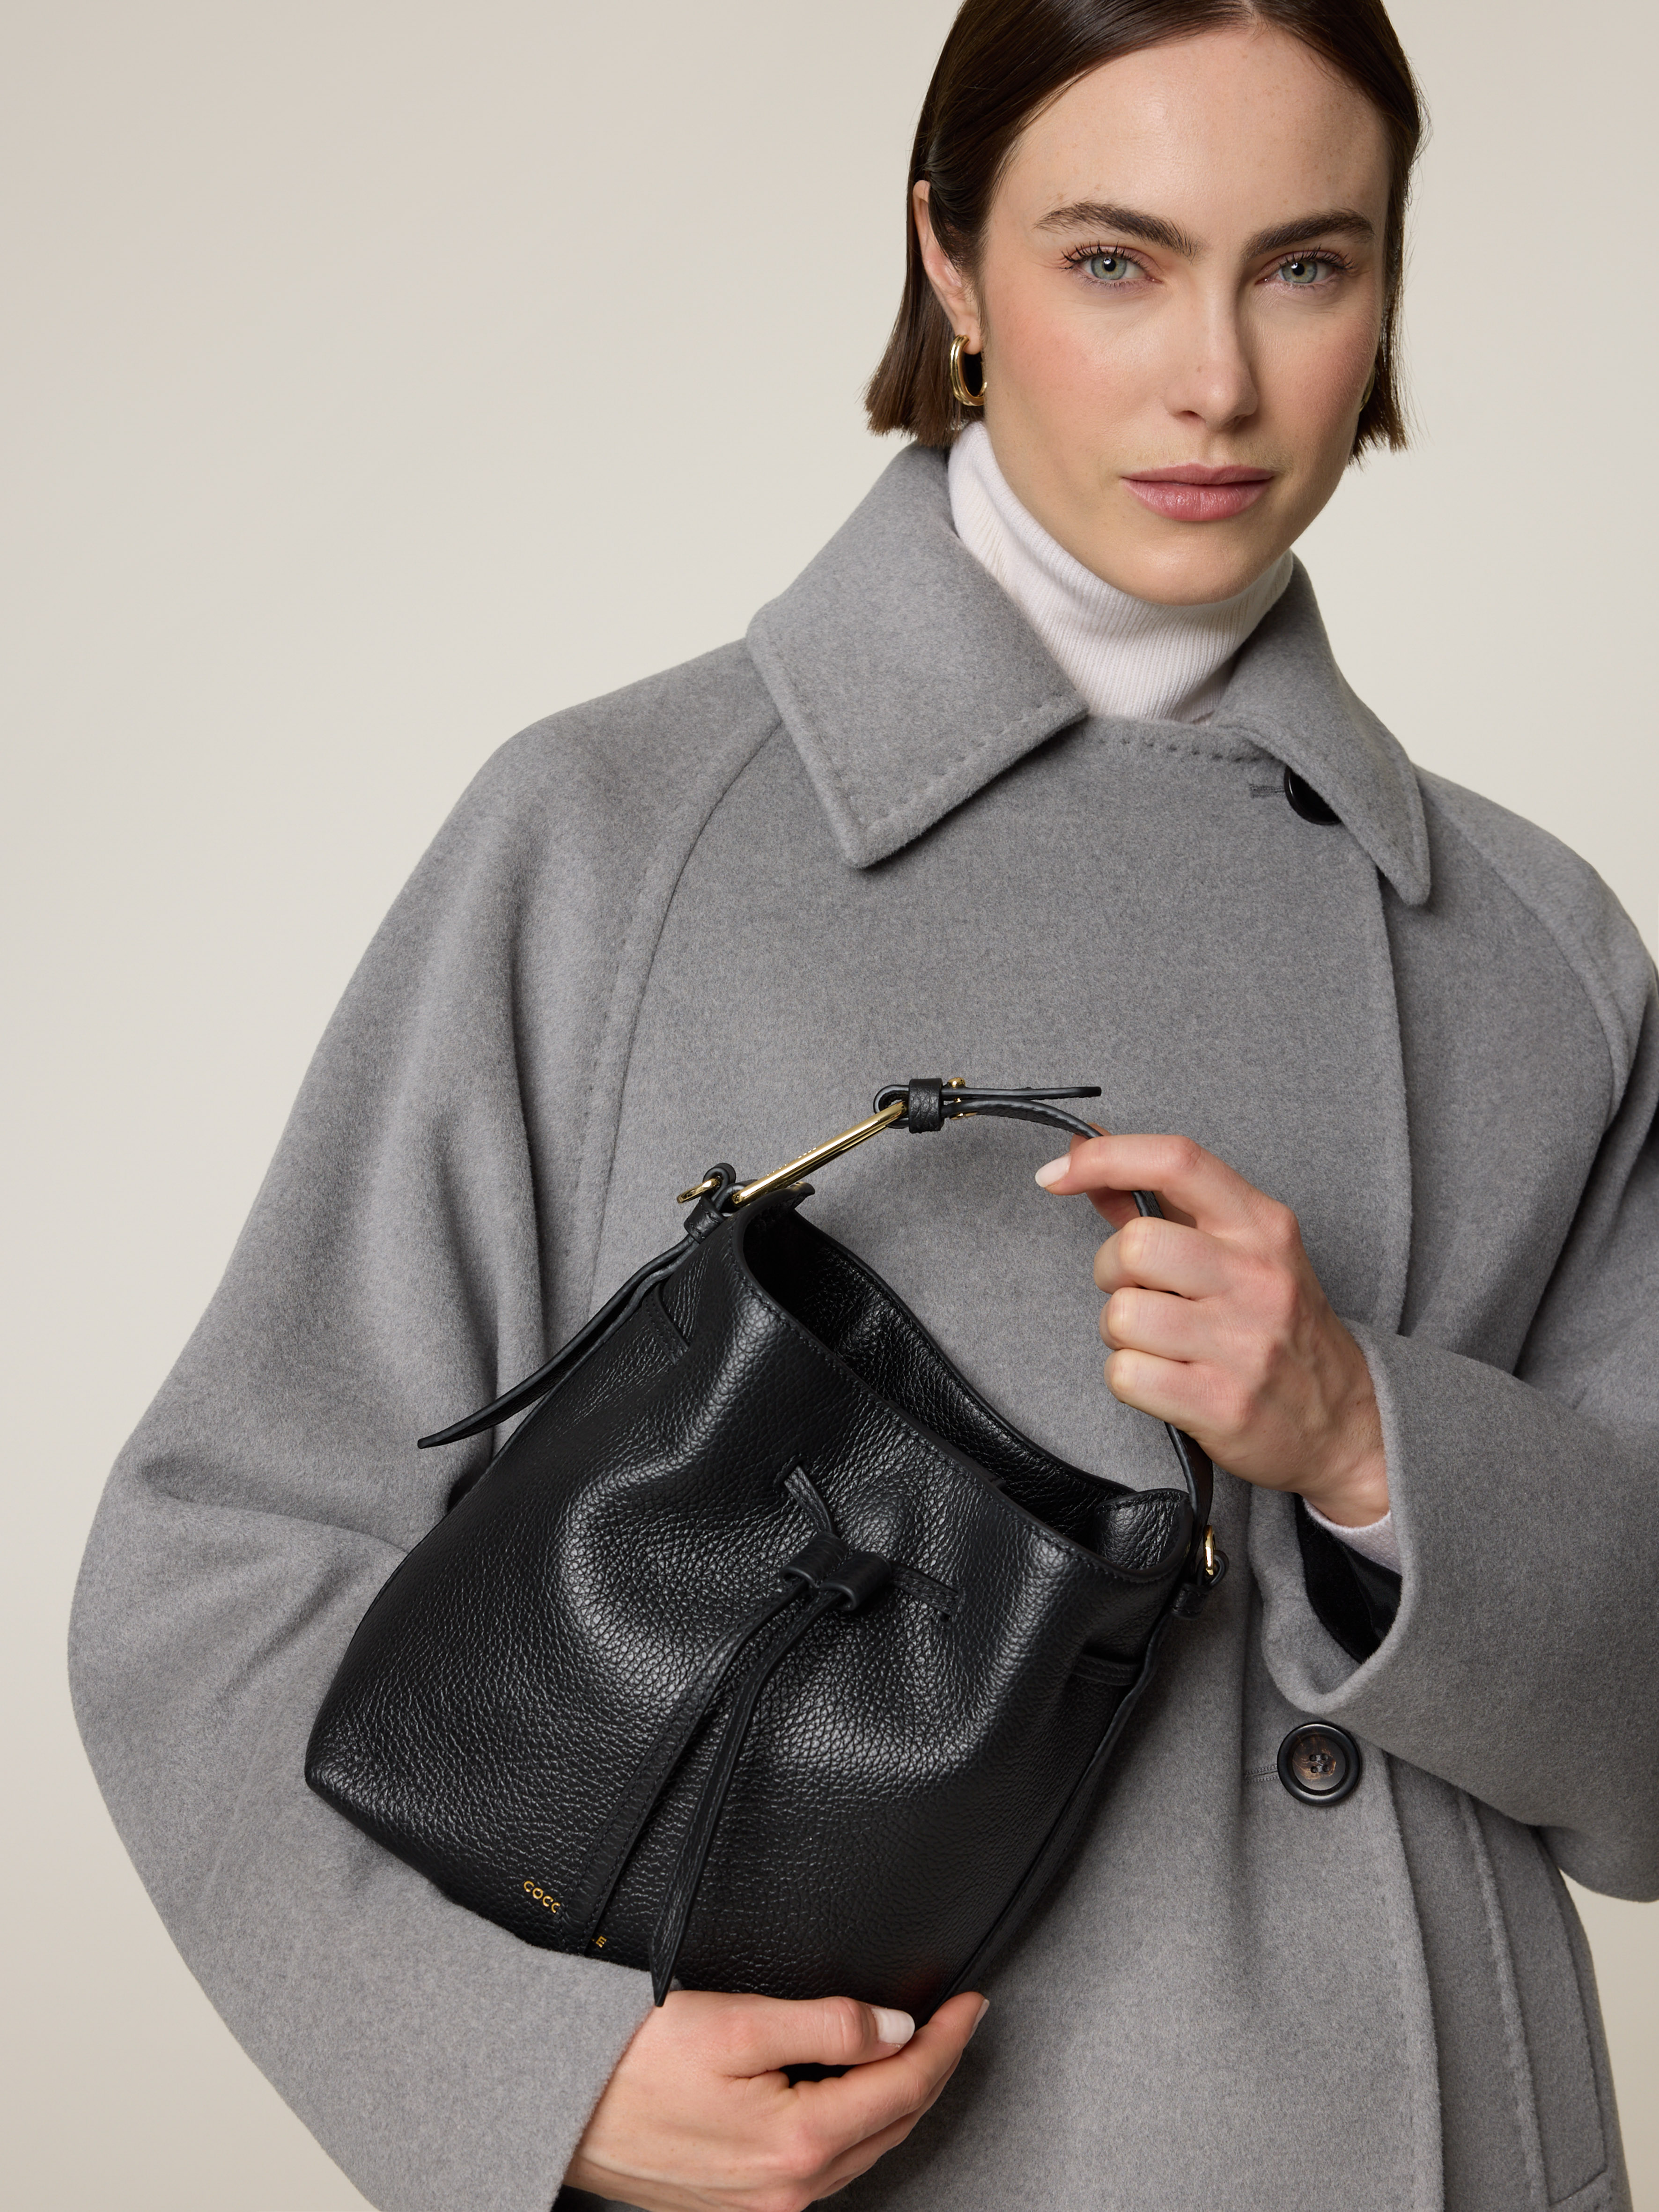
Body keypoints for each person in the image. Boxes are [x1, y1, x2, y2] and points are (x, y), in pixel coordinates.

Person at [69, 1, 1658, 2208]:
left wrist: (1365, 1442)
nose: (1216, 378)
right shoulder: (614, 843)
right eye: (1113, 259)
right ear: (950, 262)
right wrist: (542, 2080)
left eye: (1305, 263)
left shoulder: (1531, 943)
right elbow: (209, 1565)